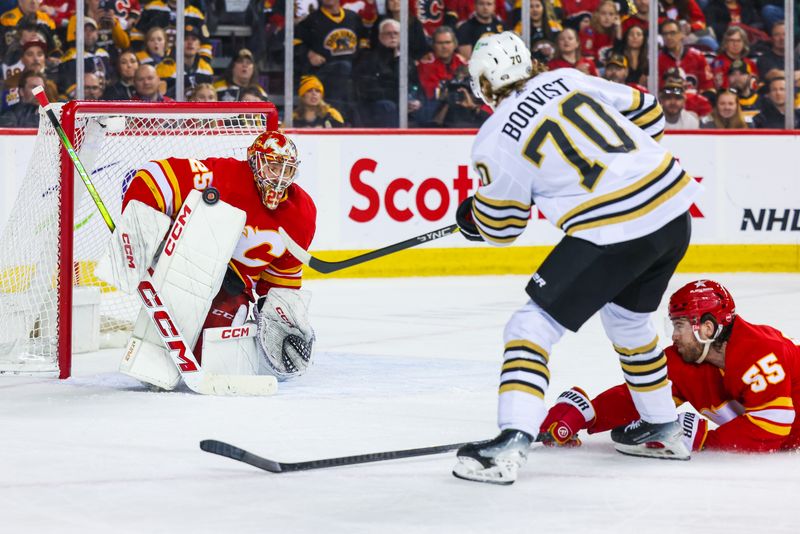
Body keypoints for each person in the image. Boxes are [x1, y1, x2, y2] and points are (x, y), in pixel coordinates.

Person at [452, 31, 701, 485]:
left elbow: (504, 228)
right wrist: (619, 167)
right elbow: (649, 111)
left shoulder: (493, 138)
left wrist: (476, 217)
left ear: (483, 85)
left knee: (529, 328)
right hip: (673, 208)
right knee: (629, 323)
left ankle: (511, 442)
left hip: (615, 228)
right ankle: (662, 427)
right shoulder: (567, 78)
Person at [118, 131, 317, 376]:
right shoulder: (224, 176)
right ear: (255, 162)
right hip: (185, 272)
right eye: (273, 167)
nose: (279, 178)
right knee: (156, 367)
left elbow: (282, 274)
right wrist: (139, 227)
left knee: (217, 351)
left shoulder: (302, 213)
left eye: (286, 171)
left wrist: (278, 313)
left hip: (232, 288)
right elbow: (156, 176)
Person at [538, 280, 800, 452]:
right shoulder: (687, 358)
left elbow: (772, 429)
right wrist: (587, 413)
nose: (673, 335)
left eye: (680, 326)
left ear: (707, 328)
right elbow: (645, 397)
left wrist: (706, 441)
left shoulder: (761, 353)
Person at [355, 18, 423, 127]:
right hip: (378, 106)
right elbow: (369, 91)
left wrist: (416, 100)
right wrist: (400, 100)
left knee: (423, 107)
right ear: (380, 37)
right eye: (388, 33)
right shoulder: (369, 59)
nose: (393, 36)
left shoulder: (407, 60)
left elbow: (416, 84)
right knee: (387, 106)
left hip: (405, 104)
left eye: (396, 33)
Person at [658, 19, 715, 102]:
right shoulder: (657, 60)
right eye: (665, 34)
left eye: (672, 33)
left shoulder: (698, 56)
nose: (668, 37)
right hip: (667, 106)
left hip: (695, 106)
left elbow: (708, 88)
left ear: (681, 34)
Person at [157, 24, 213, 99]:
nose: (190, 42)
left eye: (194, 39)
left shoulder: (206, 69)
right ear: (177, 43)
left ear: (199, 45)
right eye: (185, 39)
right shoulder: (164, 67)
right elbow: (161, 98)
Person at [711, 26, 758, 90]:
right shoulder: (719, 63)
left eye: (739, 41)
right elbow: (722, 88)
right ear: (726, 43)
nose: (735, 44)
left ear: (744, 44)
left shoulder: (750, 63)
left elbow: (755, 86)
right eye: (731, 40)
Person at [578, 0, 619, 67]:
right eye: (603, 13)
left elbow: (619, 53)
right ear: (597, 14)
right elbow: (587, 55)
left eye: (611, 14)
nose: (607, 18)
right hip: (594, 68)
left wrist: (618, 30)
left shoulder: (616, 31)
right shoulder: (588, 31)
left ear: (616, 17)